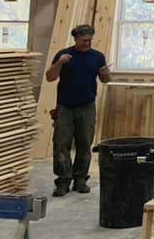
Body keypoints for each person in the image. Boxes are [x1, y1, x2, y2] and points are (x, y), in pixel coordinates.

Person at [45, 24, 111, 197]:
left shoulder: (97, 57)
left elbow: (105, 80)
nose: (87, 43)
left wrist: (105, 73)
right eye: (83, 41)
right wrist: (59, 63)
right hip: (65, 107)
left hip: (87, 107)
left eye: (89, 40)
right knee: (61, 145)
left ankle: (80, 179)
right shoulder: (64, 55)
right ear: (75, 39)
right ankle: (63, 181)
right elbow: (50, 77)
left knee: (84, 145)